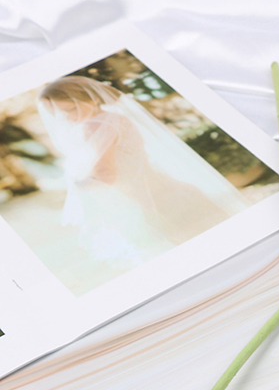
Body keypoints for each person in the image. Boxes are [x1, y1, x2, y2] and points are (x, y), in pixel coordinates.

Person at [37, 75, 248, 267]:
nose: (64, 118)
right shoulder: (117, 118)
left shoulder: (93, 126)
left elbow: (106, 175)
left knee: (190, 258)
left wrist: (79, 185)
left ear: (91, 99)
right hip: (165, 187)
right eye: (55, 113)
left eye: (69, 109)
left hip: (142, 200)